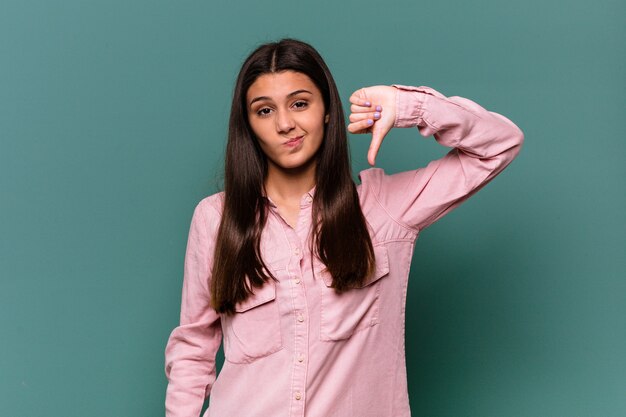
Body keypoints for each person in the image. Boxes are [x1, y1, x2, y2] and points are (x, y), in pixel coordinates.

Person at [164, 38, 524, 417]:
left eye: (299, 103)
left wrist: (407, 106)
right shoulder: (215, 218)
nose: (285, 124)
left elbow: (499, 145)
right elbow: (193, 347)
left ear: (327, 112)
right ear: (249, 126)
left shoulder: (384, 210)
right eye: (264, 110)